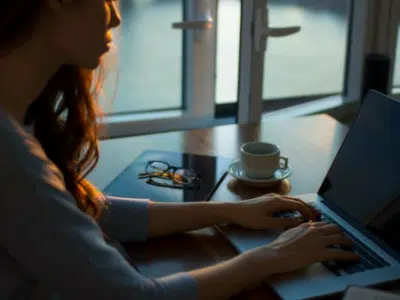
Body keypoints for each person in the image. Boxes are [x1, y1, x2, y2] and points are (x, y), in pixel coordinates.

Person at [0, 0, 360, 299]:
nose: (116, 15)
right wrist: (272, 256)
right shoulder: (10, 153)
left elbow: (84, 210)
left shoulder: (17, 122)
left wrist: (228, 212)